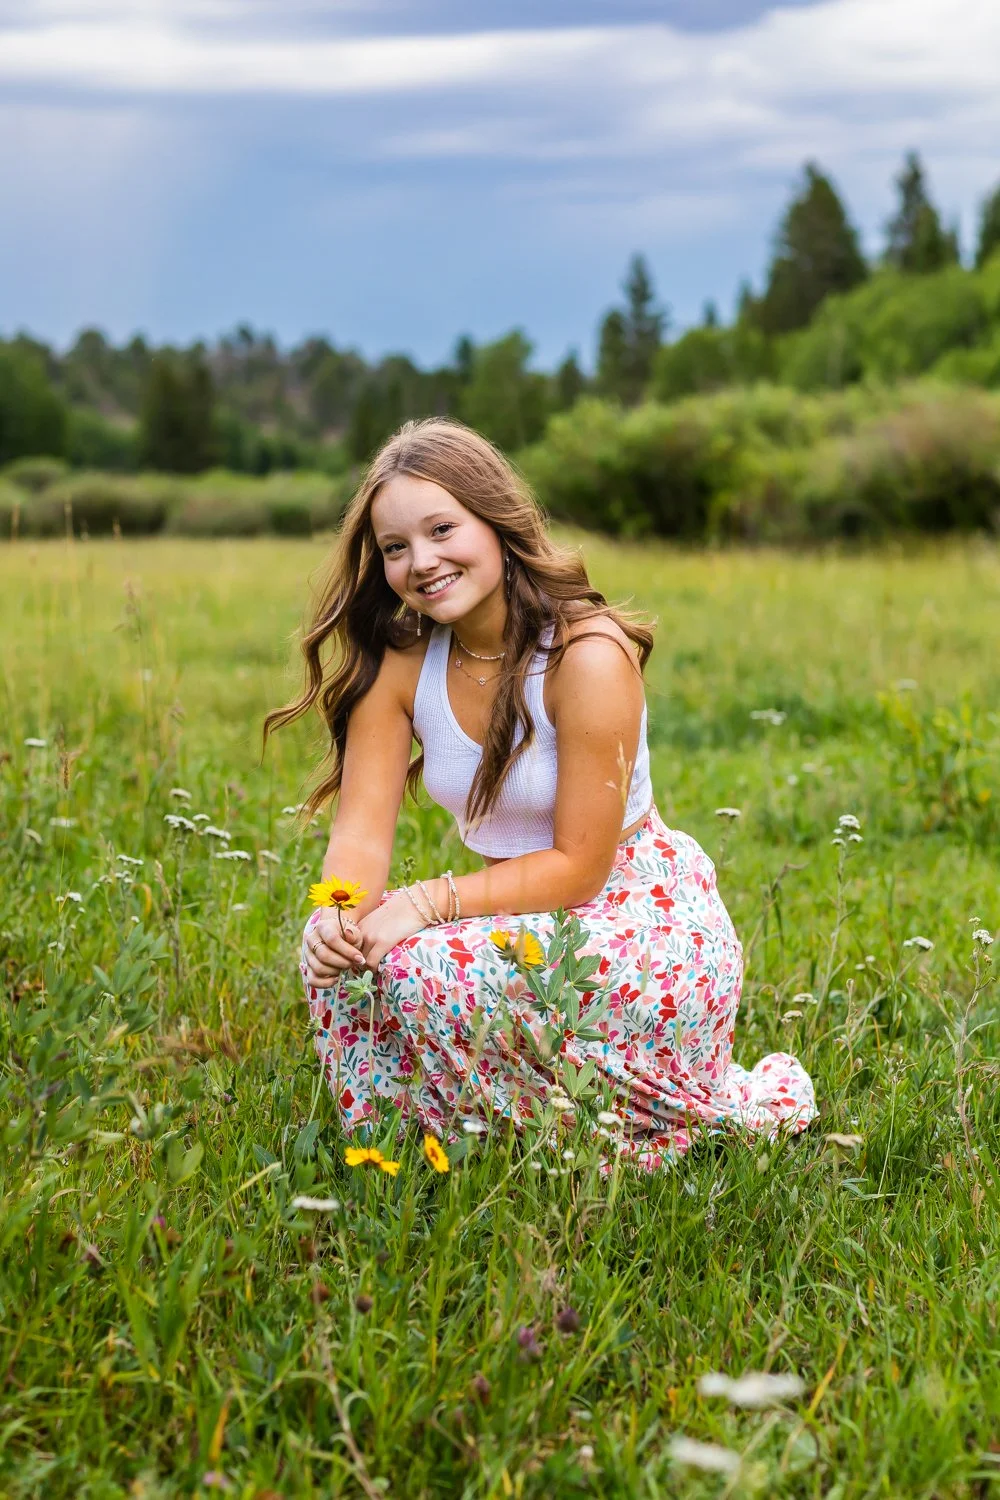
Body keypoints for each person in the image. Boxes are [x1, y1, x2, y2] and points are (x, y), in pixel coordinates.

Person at [265, 418, 815, 1168]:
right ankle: (410, 1141)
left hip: (638, 925)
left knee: (422, 967)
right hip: (511, 919)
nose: (421, 562)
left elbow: (581, 868)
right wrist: (339, 914)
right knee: (342, 958)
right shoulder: (400, 666)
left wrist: (423, 903)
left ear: (495, 521)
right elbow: (360, 838)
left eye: (441, 530)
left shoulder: (585, 656)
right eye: (396, 548)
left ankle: (533, 1133)